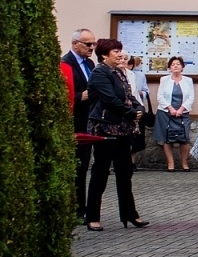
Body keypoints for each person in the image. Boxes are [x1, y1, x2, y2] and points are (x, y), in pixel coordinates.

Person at [84, 38, 148, 231]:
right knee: (101, 172)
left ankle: (130, 214)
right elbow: (110, 99)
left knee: (125, 171)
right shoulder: (99, 73)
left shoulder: (119, 72)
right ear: (104, 55)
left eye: (120, 50)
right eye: (115, 51)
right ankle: (92, 216)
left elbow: (129, 95)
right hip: (105, 127)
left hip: (123, 128)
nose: (120, 54)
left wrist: (138, 108)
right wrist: (130, 112)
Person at [61, 28, 97, 217]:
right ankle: (74, 208)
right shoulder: (65, 64)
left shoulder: (90, 64)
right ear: (75, 44)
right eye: (88, 44)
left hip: (88, 121)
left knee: (83, 166)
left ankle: (80, 207)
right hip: (74, 122)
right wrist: (79, 96)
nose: (92, 47)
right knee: (74, 166)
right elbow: (60, 95)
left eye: (94, 43)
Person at [155, 55, 194, 172]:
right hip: (166, 112)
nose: (175, 66)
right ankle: (170, 163)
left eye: (178, 64)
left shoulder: (188, 80)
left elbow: (191, 97)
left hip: (183, 112)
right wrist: (170, 108)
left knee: (184, 138)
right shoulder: (164, 79)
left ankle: (184, 163)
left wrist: (181, 109)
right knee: (167, 138)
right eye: (173, 64)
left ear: (182, 67)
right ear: (169, 68)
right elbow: (160, 96)